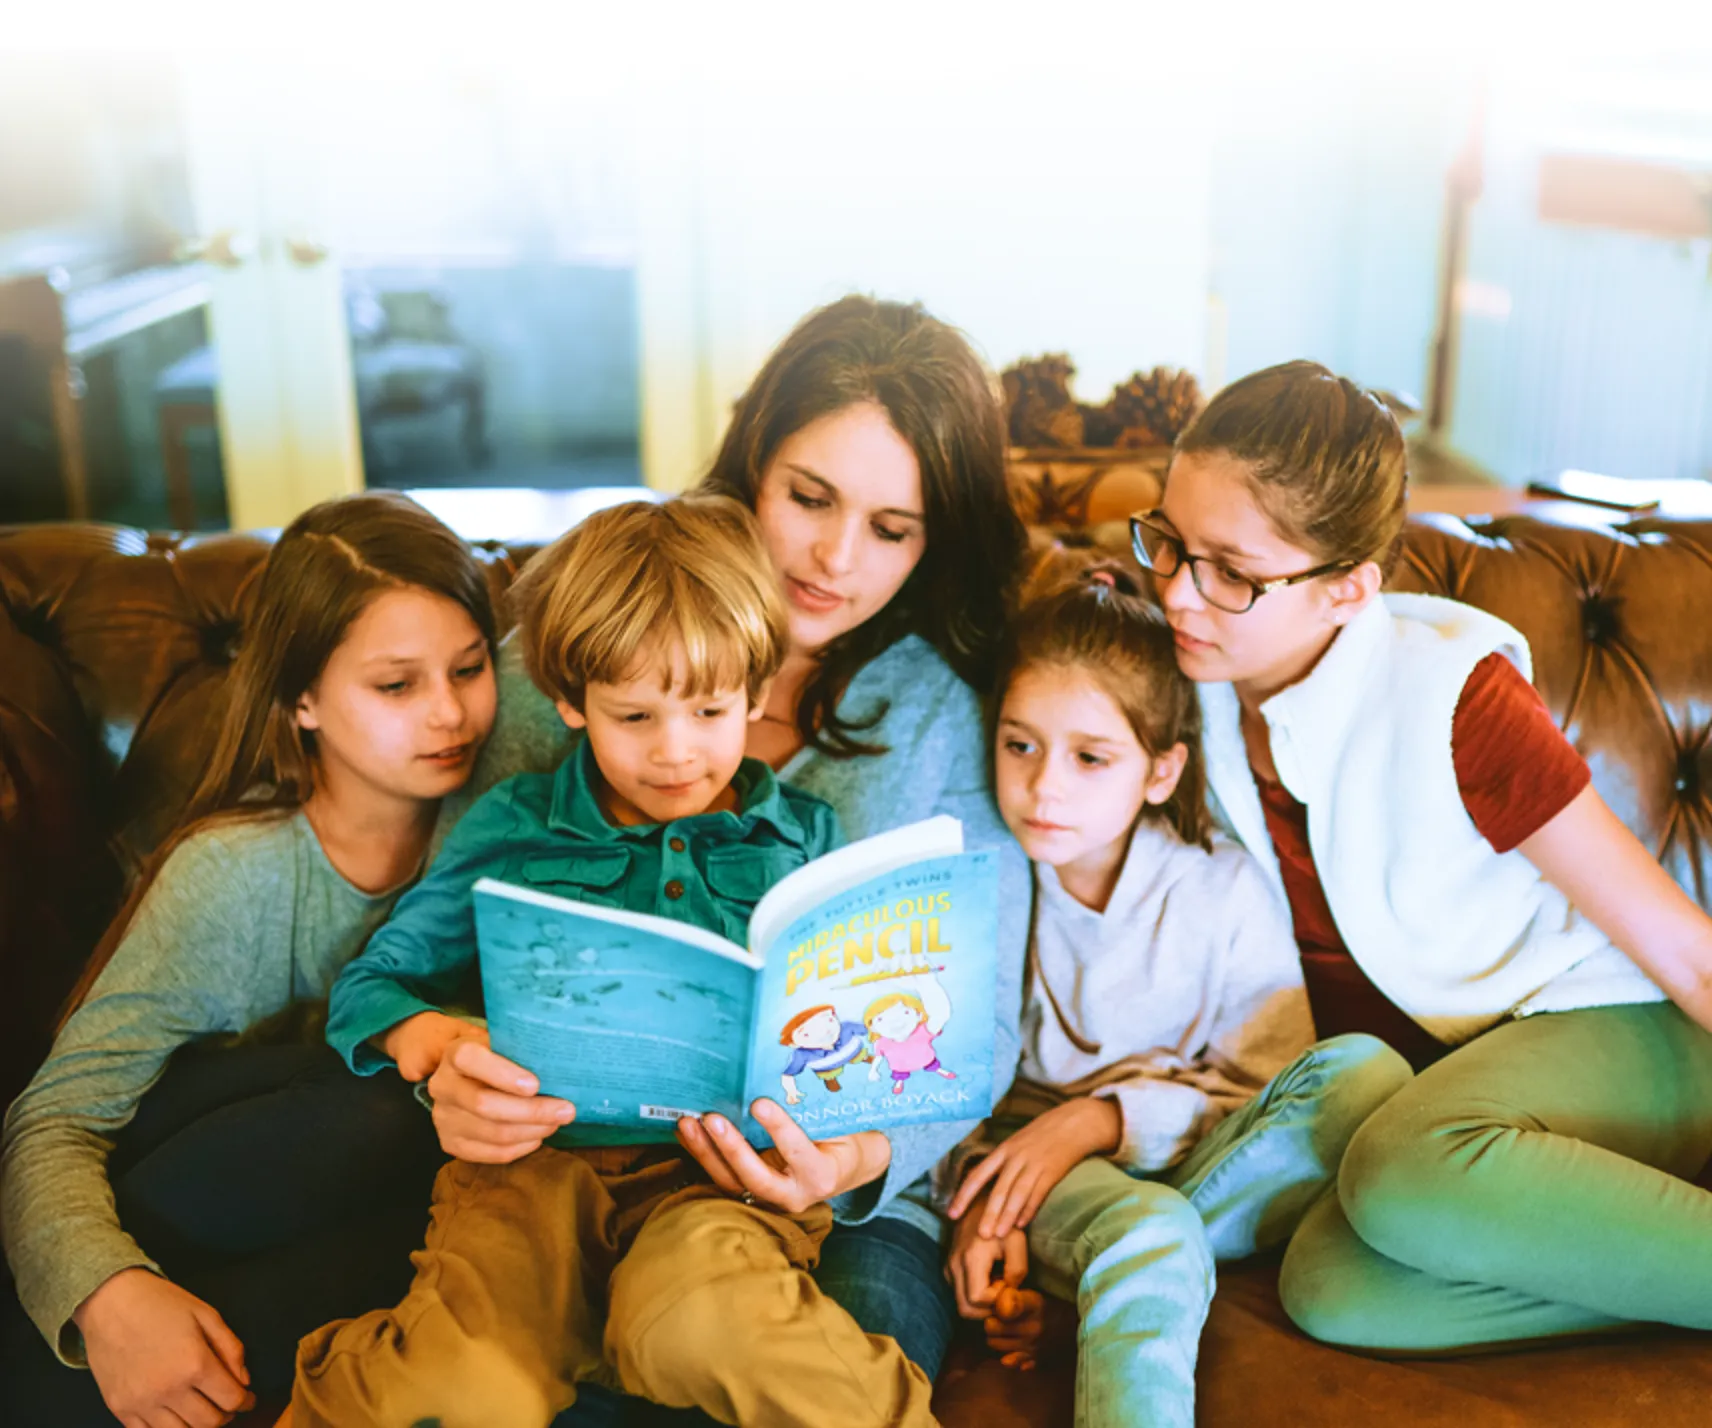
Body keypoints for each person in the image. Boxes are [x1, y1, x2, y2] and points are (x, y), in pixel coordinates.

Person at [410, 295, 1033, 1414]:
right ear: (750, 465)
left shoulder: (944, 713)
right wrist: (446, 1071)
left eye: (892, 529)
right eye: (808, 498)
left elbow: (980, 1020)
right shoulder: (594, 625)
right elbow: (450, 929)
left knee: (766, 1360)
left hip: (833, 1193)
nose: (835, 559)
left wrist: (858, 1161)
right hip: (569, 1171)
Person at [285, 494, 954, 1426]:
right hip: (531, 1177)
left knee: (706, 1326)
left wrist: (850, 1129)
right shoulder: (512, 826)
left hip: (724, 1185)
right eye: (634, 715)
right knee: (471, 1387)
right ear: (570, 702)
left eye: (712, 710)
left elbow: (869, 1051)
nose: (677, 752)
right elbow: (372, 983)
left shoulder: (807, 839)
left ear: (756, 691)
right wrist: (437, 1041)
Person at [1132, 358, 1712, 1353]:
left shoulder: (1453, 697)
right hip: (1457, 1098)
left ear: (1345, 589)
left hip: (1615, 1025)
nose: (1179, 592)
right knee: (1329, 1286)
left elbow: (1682, 948)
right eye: (1168, 544)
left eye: (1228, 569)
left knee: (1399, 1169)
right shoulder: (1198, 688)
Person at [0, 491, 499, 1426]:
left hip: (325, 1243)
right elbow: (53, 1123)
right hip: (174, 1188)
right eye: (397, 686)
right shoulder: (235, 876)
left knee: (440, 1215)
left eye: (469, 670)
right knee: (394, 1107)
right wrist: (107, 1297)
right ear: (301, 699)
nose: (450, 714)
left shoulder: (503, 827)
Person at [939, 569, 1409, 1427]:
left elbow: (1265, 1091)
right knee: (1146, 1232)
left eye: (1091, 757)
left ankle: (1123, 1268)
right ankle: (1126, 1258)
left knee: (1362, 1076)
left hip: (1206, 1169)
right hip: (1049, 1187)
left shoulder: (1220, 890)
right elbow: (934, 1089)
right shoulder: (977, 880)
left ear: (1160, 771)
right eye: (1020, 745)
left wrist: (1102, 1118)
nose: (1046, 788)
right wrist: (982, 1207)